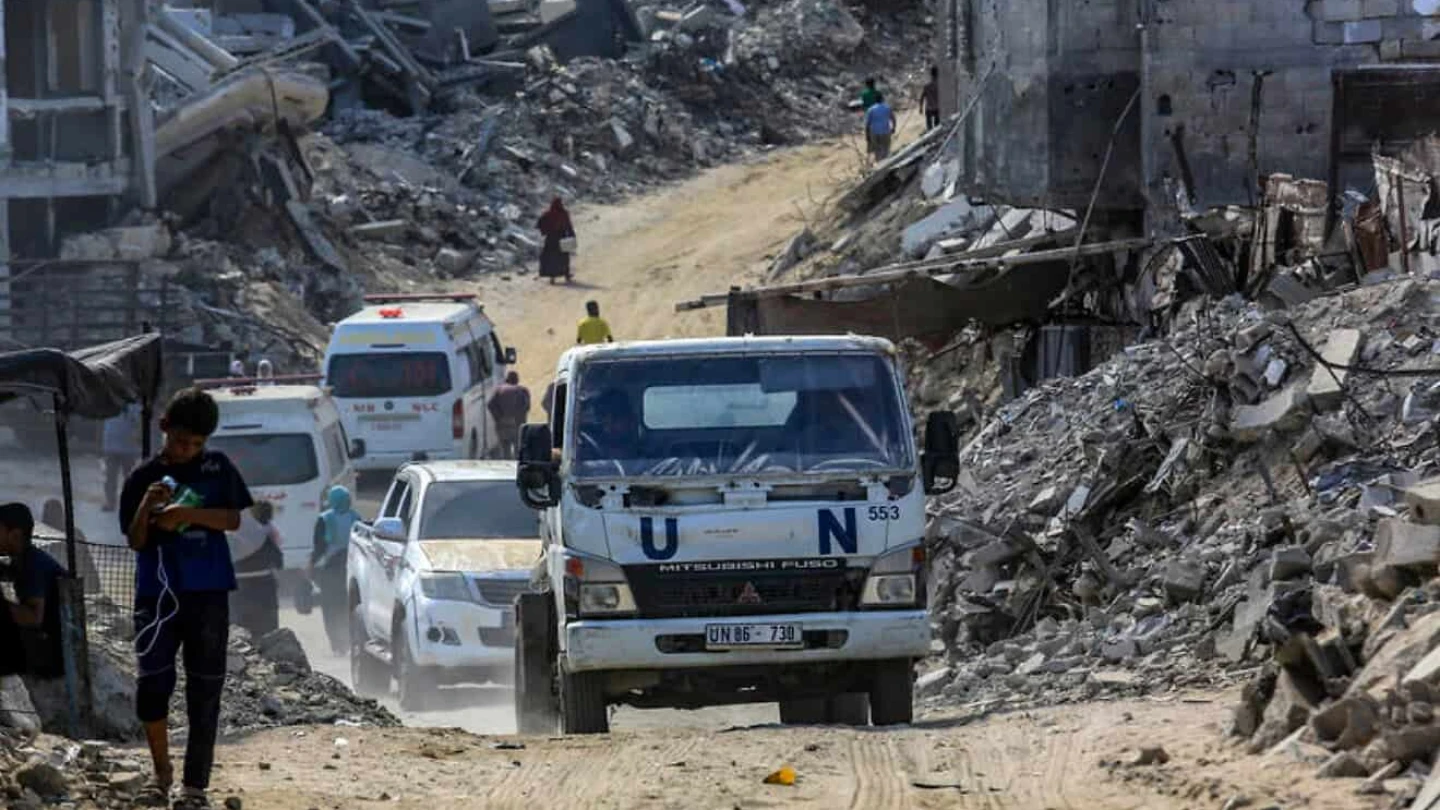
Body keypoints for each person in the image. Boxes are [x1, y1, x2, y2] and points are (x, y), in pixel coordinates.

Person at [120, 387, 252, 809]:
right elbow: (135, 540)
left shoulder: (218, 467)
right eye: (180, 441)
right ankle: (161, 774)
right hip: (156, 596)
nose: (187, 451)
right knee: (152, 685)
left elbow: (232, 519)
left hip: (208, 592)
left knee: (205, 689)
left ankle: (195, 786)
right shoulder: (142, 477)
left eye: (196, 444)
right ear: (164, 428)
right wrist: (148, 506)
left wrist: (187, 514)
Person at [0, 503, 64, 680]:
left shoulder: (33, 565)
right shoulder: (24, 558)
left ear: (15, 535)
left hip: (50, 652)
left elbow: (33, 617)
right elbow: (8, 573)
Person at [310, 486, 359, 657]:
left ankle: (337, 645)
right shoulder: (356, 518)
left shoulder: (324, 519)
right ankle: (351, 641)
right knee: (349, 605)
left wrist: (311, 566)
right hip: (351, 566)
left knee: (330, 607)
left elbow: (319, 547)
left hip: (330, 568)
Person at [229, 501, 282, 640]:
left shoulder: (229, 535)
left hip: (237, 588)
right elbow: (278, 561)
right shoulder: (263, 533)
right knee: (267, 633)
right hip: (263, 587)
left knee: (237, 633)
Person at [101, 403, 141, 512]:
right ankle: (110, 502)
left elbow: (139, 424)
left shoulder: (133, 405)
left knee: (129, 477)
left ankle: (129, 503)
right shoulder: (109, 404)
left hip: (128, 448)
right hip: (110, 445)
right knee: (110, 476)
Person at [487, 371, 532, 460]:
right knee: (518, 451)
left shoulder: (498, 390)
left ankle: (507, 466)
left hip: (502, 425)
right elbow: (527, 406)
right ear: (517, 380)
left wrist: (498, 417)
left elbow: (490, 405)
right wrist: (518, 416)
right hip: (517, 425)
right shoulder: (523, 390)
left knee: (505, 451)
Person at [537, 197, 576, 284]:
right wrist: (571, 235)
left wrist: (545, 231)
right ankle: (566, 274)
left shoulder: (548, 214)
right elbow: (568, 225)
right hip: (562, 236)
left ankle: (552, 276)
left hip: (551, 238)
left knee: (550, 257)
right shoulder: (564, 213)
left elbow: (539, 223)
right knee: (564, 257)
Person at [865, 92, 897, 162]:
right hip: (885, 131)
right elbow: (893, 119)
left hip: (874, 133)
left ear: (875, 100)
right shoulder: (887, 108)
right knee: (886, 149)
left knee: (877, 151)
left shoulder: (871, 109)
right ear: (882, 99)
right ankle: (886, 162)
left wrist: (867, 135)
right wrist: (893, 128)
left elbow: (867, 124)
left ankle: (879, 162)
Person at [921, 66, 941, 130]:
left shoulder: (927, 86)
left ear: (931, 74)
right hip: (937, 108)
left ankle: (930, 133)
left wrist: (920, 108)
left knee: (929, 127)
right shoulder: (939, 86)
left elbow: (922, 97)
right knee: (937, 127)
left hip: (929, 108)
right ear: (937, 74)